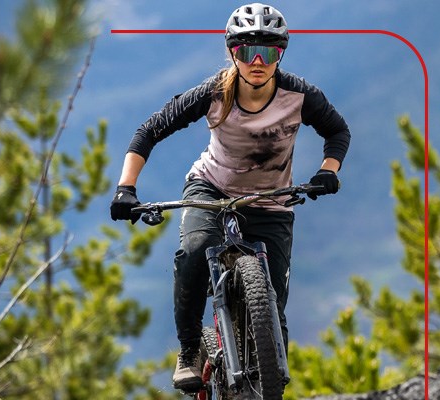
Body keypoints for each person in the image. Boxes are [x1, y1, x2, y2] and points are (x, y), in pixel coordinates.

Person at [110, 3, 350, 392]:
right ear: (231, 52)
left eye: (269, 51)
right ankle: (189, 350)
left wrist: (328, 171)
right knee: (195, 251)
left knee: (273, 303)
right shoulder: (213, 93)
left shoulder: (301, 95)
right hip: (212, 189)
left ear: (282, 54)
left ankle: (271, 384)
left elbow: (338, 133)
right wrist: (126, 188)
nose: (258, 61)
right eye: (245, 51)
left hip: (272, 199)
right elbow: (148, 131)